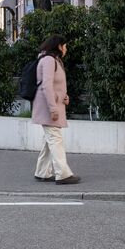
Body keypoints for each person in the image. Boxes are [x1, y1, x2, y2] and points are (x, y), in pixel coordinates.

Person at [30, 34, 79, 185]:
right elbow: (46, 86)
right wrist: (53, 108)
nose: (66, 49)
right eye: (64, 46)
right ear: (58, 46)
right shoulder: (49, 60)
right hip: (48, 108)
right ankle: (63, 174)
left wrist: (63, 97)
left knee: (49, 140)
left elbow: (55, 86)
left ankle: (42, 172)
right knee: (55, 139)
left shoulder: (54, 60)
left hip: (52, 105)